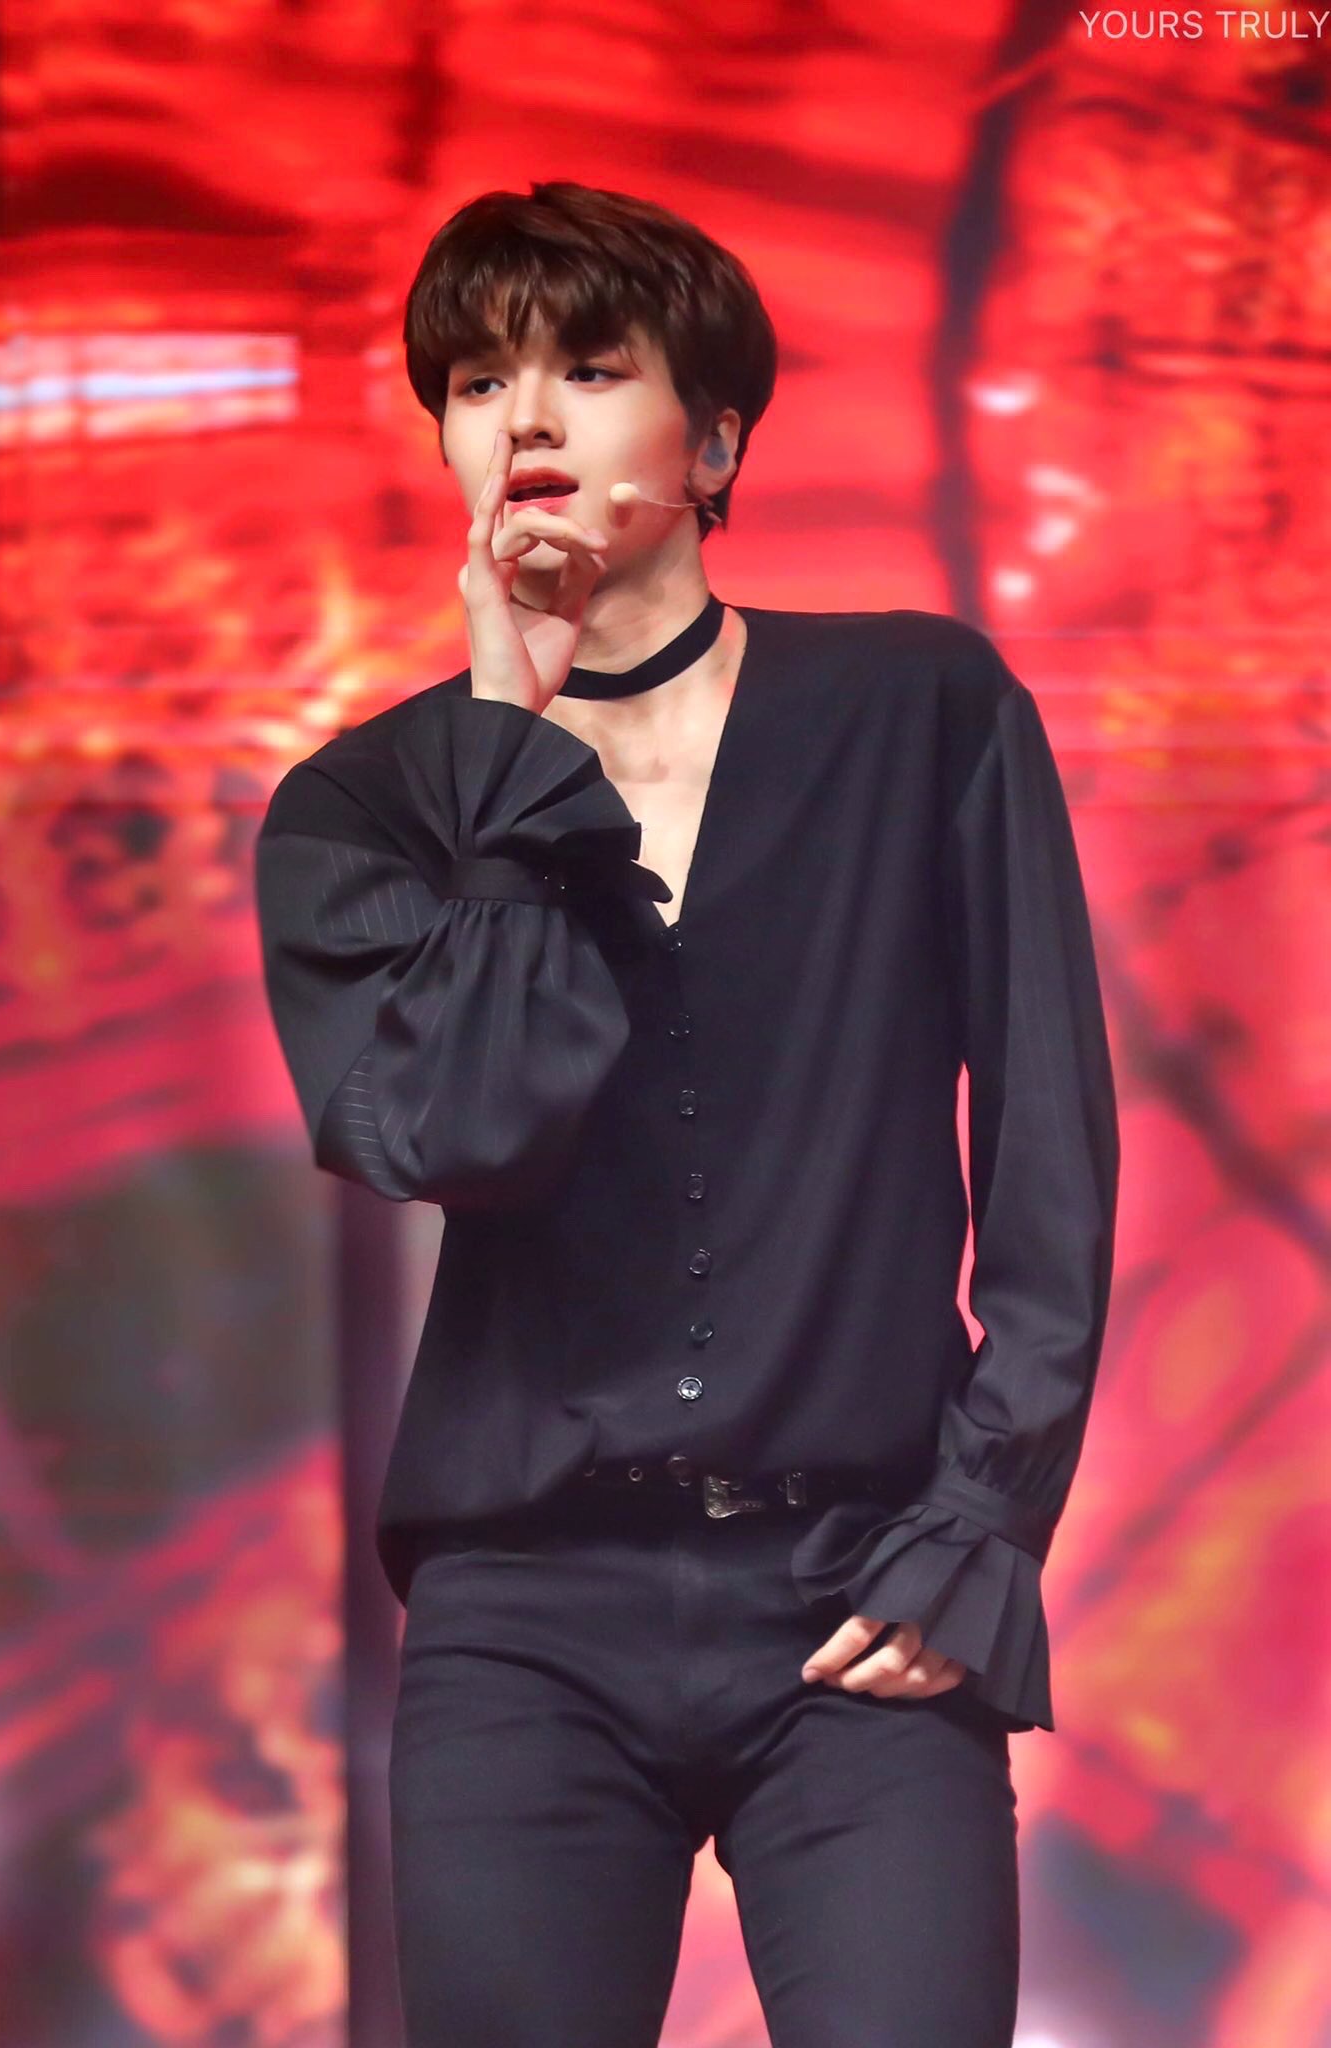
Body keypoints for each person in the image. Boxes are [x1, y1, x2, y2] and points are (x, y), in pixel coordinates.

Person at [254, 180, 1120, 2048]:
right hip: (524, 1617)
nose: (527, 419)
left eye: (589, 368)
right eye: (477, 383)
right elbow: (470, 1137)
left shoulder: (923, 709)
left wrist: (981, 1523)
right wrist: (513, 735)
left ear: (715, 440)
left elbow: (1050, 1150)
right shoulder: (364, 810)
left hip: (860, 1585)